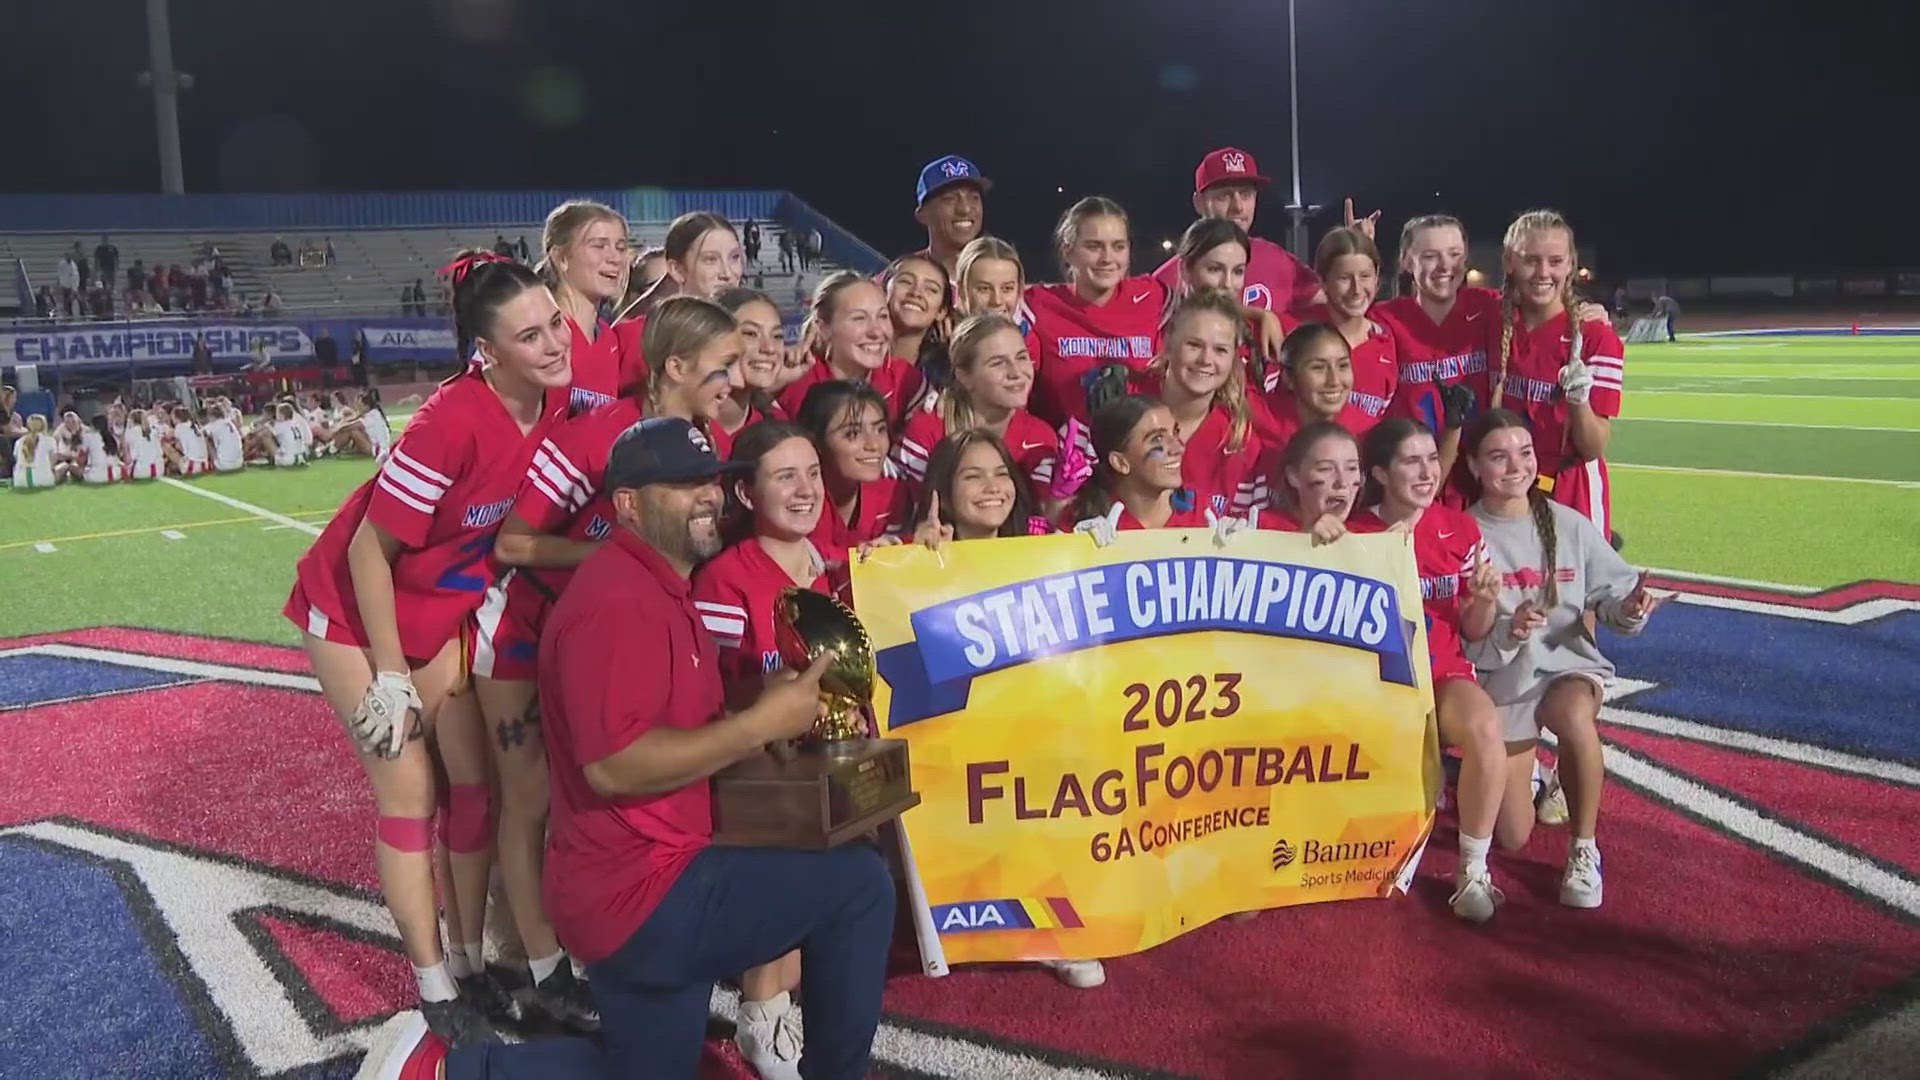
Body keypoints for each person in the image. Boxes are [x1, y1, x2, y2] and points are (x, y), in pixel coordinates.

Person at [356, 417, 895, 1080]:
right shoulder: (617, 602)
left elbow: (674, 731)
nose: (707, 497)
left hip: (633, 880)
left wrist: (757, 712)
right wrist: (756, 726)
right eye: (681, 484)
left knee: (646, 1071)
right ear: (628, 504)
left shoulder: (657, 585)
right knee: (859, 886)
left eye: (711, 481)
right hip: (644, 890)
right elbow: (615, 766)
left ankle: (439, 1072)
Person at [280, 252, 571, 1047]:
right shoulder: (452, 419)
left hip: (437, 615)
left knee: (473, 790)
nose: (553, 343)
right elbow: (370, 554)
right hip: (352, 615)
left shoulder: (552, 405)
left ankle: (473, 961)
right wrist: (386, 673)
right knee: (410, 792)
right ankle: (435, 983)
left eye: (555, 322)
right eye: (530, 335)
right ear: (488, 352)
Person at [1460, 409, 1664, 909]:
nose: (1515, 466)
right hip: (1504, 682)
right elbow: (1466, 642)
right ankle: (1533, 776)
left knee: (1573, 716)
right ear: (1472, 464)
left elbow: (1615, 606)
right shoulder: (1461, 533)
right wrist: (1510, 630)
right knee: (1512, 835)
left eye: (1525, 453)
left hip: (1567, 668)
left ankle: (1584, 849)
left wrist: (1630, 608)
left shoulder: (1568, 524)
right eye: (1498, 456)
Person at [688, 420, 837, 1076]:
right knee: (782, 877)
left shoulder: (830, 561)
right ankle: (760, 1013)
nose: (806, 489)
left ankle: (781, 1002)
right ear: (747, 494)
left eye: (812, 473)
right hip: (755, 776)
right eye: (786, 476)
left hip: (820, 763)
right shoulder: (725, 578)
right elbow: (707, 697)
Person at [1347, 419, 1508, 923]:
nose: (1426, 471)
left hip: (1442, 675)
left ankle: (1472, 870)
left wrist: (1483, 601)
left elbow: (1474, 629)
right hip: (1373, 683)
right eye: (1410, 461)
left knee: (1484, 725)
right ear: (1379, 472)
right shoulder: (1354, 533)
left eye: (1432, 460)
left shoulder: (1459, 528)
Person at [1485, 209, 1626, 538]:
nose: (1543, 272)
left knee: (1573, 589)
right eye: (1531, 260)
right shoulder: (1488, 318)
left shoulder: (1594, 336)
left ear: (1570, 265)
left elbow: (1593, 447)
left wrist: (1578, 400)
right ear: (1509, 261)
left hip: (1569, 492)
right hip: (1504, 486)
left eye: (1555, 261)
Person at [891, 313, 1078, 506]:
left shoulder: (1042, 437)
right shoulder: (928, 429)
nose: (1016, 372)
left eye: (1022, 357)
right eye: (998, 363)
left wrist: (1061, 501)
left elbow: (1037, 521)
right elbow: (911, 518)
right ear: (964, 376)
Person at [1150, 147, 1320, 316]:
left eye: (1246, 195)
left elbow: (1333, 302)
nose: (1238, 207)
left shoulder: (1279, 260)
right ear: (1199, 202)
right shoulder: (1164, 281)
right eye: (1224, 196)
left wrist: (1346, 247)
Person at [1151, 288, 1265, 519]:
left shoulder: (1241, 441)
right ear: (1169, 343)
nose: (1205, 360)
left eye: (1220, 350)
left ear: (1234, 357)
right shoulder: (1124, 407)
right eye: (1194, 345)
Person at [775, 273, 924, 427]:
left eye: (883, 316)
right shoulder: (794, 383)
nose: (876, 332)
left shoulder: (904, 377)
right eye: (859, 318)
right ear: (823, 328)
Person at [794, 380, 911, 556]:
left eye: (880, 429)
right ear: (816, 442)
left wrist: (915, 543)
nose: (873, 445)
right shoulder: (797, 495)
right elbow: (800, 560)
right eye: (852, 434)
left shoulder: (892, 490)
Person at [535, 199, 631, 413]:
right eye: (599, 246)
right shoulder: (536, 335)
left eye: (621, 247)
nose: (615, 258)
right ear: (561, 258)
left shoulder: (610, 338)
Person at [1298, 227, 1396, 434]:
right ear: (1323, 280)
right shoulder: (1296, 330)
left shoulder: (1386, 340)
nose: (1357, 290)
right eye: (1344, 278)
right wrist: (1261, 315)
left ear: (1377, 278)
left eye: (1365, 276)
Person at [908, 428, 1049, 544]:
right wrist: (924, 557)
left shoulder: (1035, 556)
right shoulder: (915, 558)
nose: (993, 488)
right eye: (973, 476)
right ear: (942, 495)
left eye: (1001, 474)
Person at [1249, 420, 1362, 542]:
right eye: (1325, 469)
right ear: (1293, 477)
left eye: (1352, 468)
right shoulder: (1254, 528)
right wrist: (1305, 540)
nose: (1342, 482)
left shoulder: (1369, 541)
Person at [711, 287, 785, 457]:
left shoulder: (777, 423)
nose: (769, 348)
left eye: (777, 336)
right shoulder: (679, 420)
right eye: (751, 334)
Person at [912, 154, 989, 278]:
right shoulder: (899, 281)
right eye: (949, 199)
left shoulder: (1002, 281)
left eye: (974, 198)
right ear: (922, 215)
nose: (965, 209)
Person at [883, 253, 951, 384]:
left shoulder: (945, 378)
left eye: (931, 289)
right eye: (906, 281)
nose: (916, 293)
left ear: (941, 311)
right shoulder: (851, 350)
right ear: (884, 290)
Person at [11, 415, 61, 489]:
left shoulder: (19, 441)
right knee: (63, 467)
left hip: (19, 481)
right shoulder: (50, 441)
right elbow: (52, 463)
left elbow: (16, 458)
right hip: (43, 480)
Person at [77, 415, 126, 485]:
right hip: (115, 474)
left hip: (96, 476)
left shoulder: (88, 437)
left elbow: (81, 460)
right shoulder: (114, 437)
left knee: (72, 467)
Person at [123, 408, 164, 480]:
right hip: (159, 469)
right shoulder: (154, 431)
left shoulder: (131, 432)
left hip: (140, 471)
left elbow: (128, 459)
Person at [204, 403, 246, 473]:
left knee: (206, 440)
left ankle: (209, 464)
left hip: (224, 466)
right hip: (239, 462)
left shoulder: (212, 426)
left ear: (211, 415)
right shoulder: (230, 422)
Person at [172, 406, 210, 476]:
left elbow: (178, 446)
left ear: (176, 418)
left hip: (192, 465)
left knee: (167, 448)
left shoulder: (179, 427)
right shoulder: (195, 425)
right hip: (205, 464)